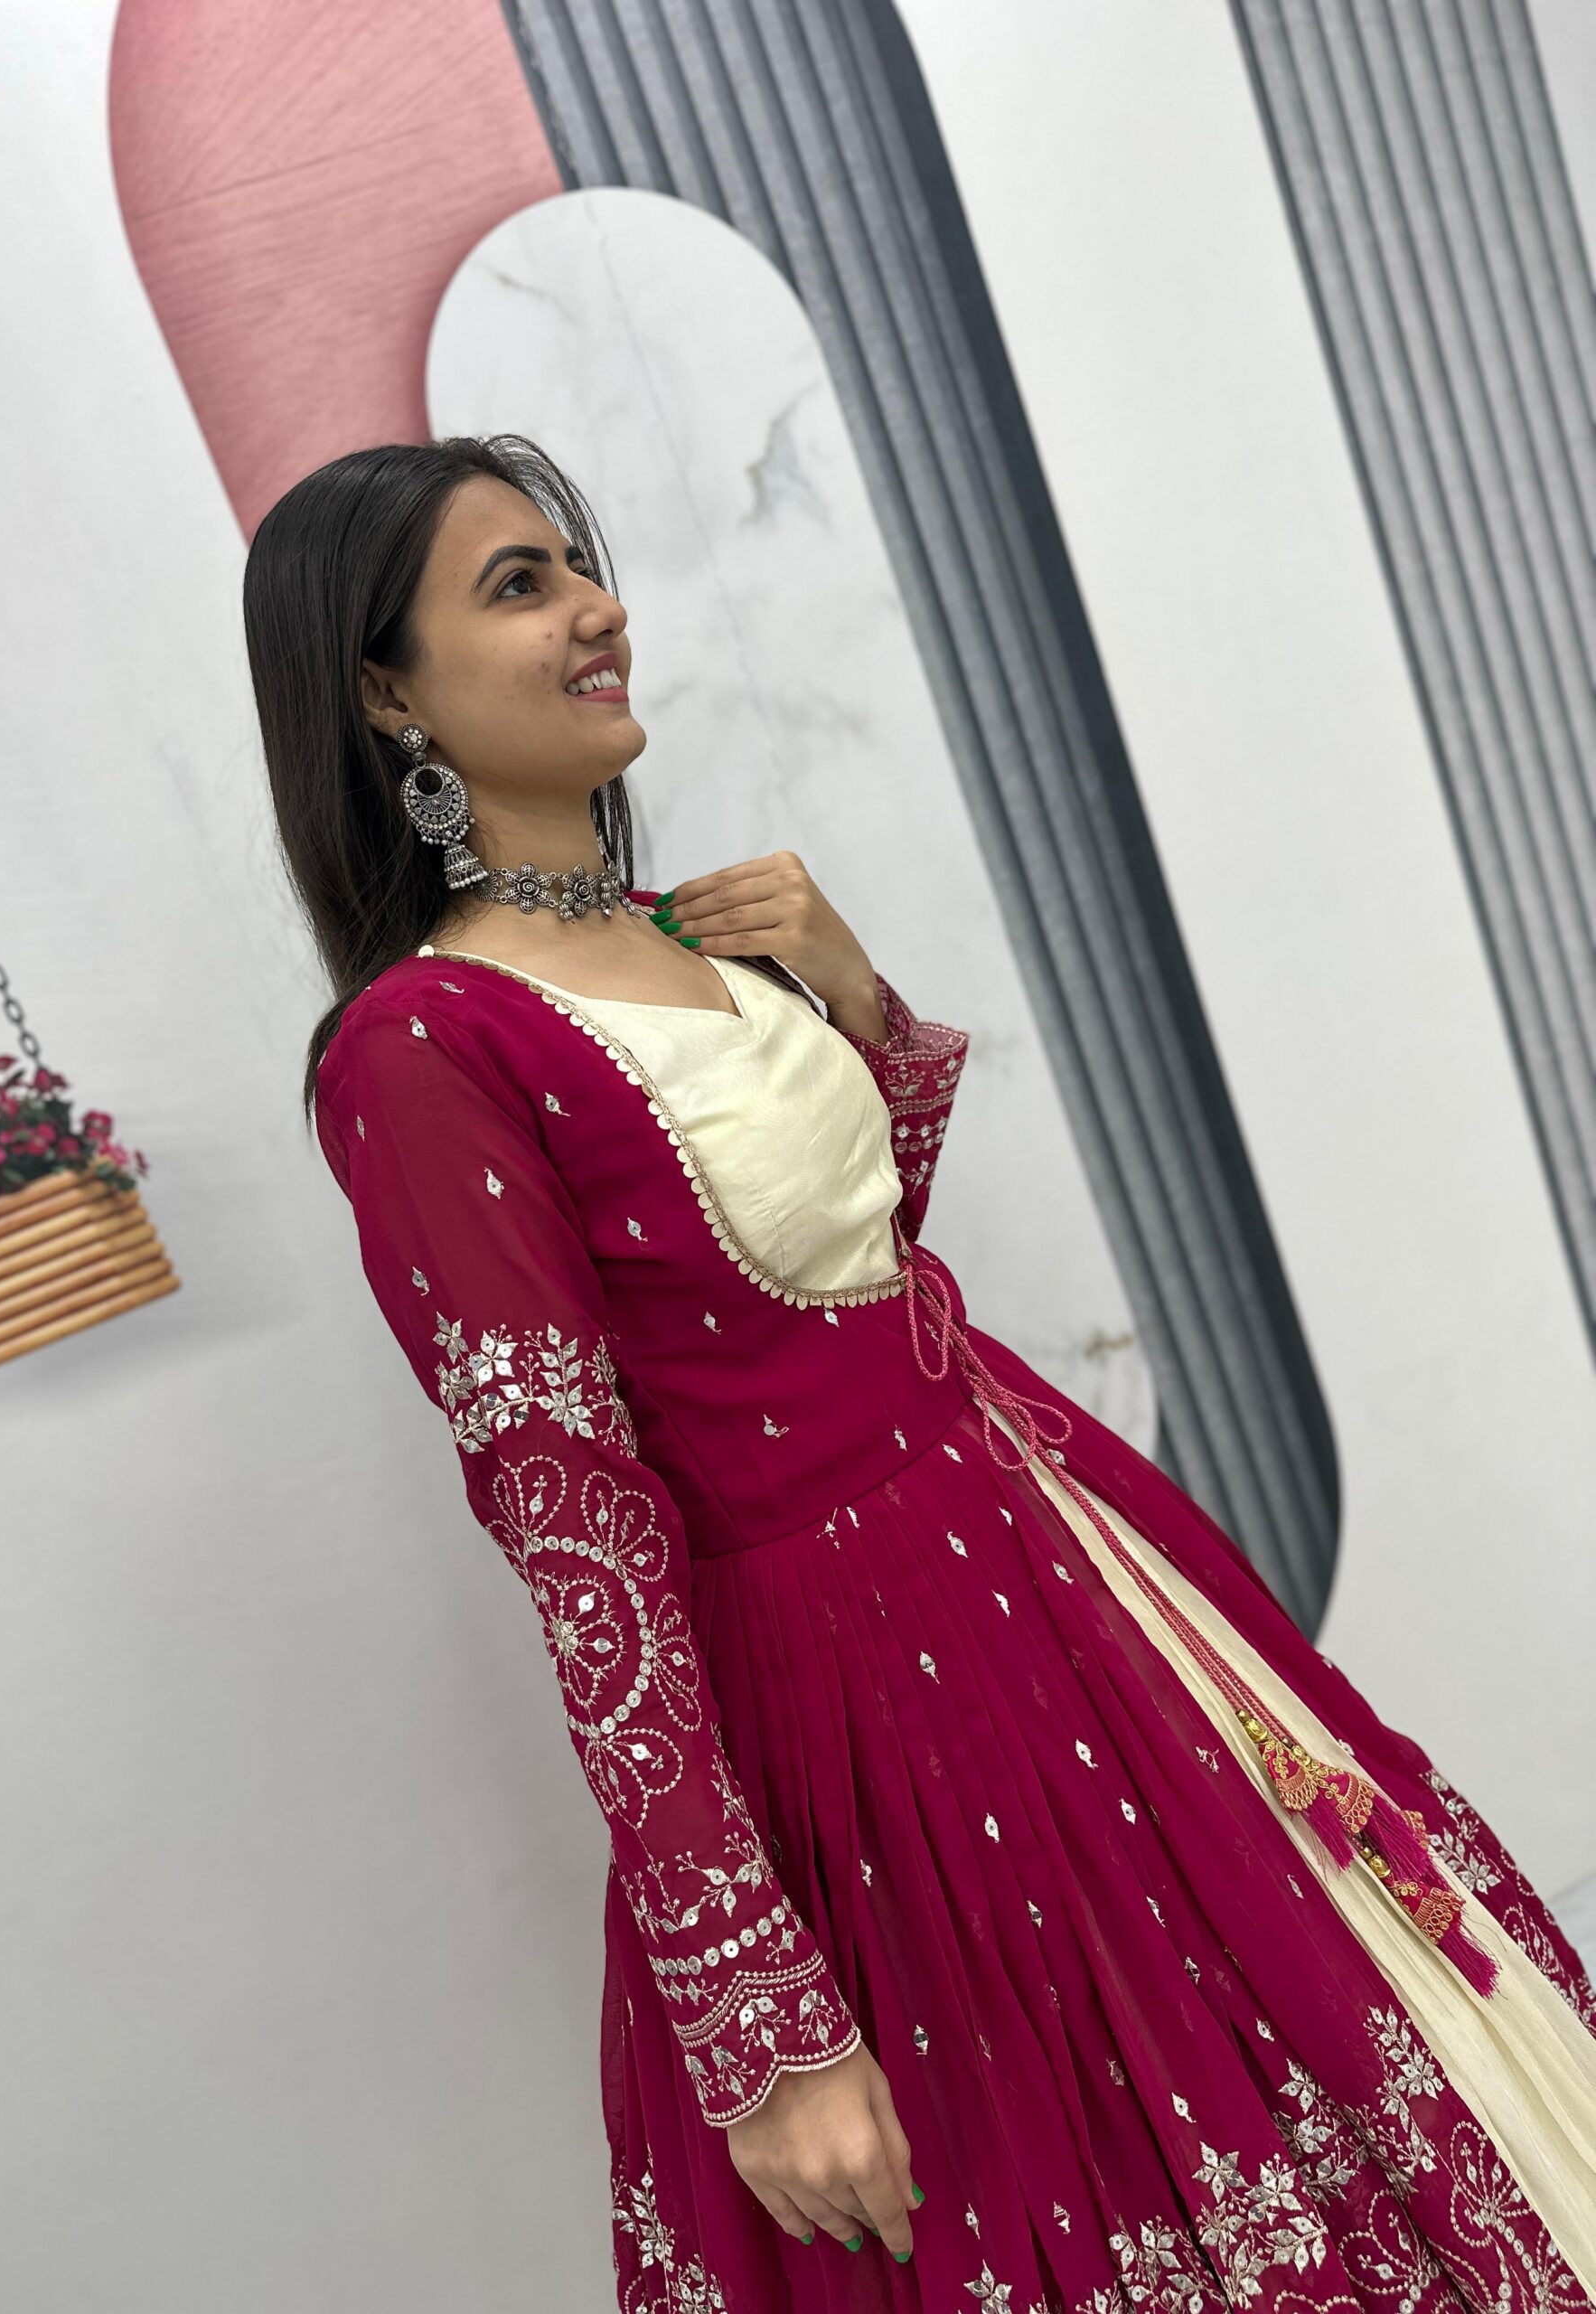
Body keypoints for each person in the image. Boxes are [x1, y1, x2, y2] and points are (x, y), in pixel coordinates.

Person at [244, 433, 1596, 2312]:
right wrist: (757, 2017)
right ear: (387, 691)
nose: (598, 610)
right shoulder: (424, 1048)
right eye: (519, 586)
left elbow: (830, 1275)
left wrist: (856, 1000)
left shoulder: (681, 932)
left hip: (1056, 1560)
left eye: (579, 563)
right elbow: (577, 1529)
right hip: (867, 1695)